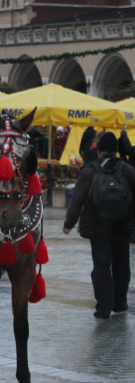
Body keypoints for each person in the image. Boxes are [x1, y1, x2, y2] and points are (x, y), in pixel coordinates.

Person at [63, 132, 135, 318]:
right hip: (123, 224)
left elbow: (77, 199)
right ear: (116, 150)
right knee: (122, 266)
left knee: (101, 266)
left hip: (98, 226)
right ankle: (120, 303)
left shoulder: (90, 170)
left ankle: (103, 308)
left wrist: (68, 224)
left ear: (99, 150)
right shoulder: (127, 169)